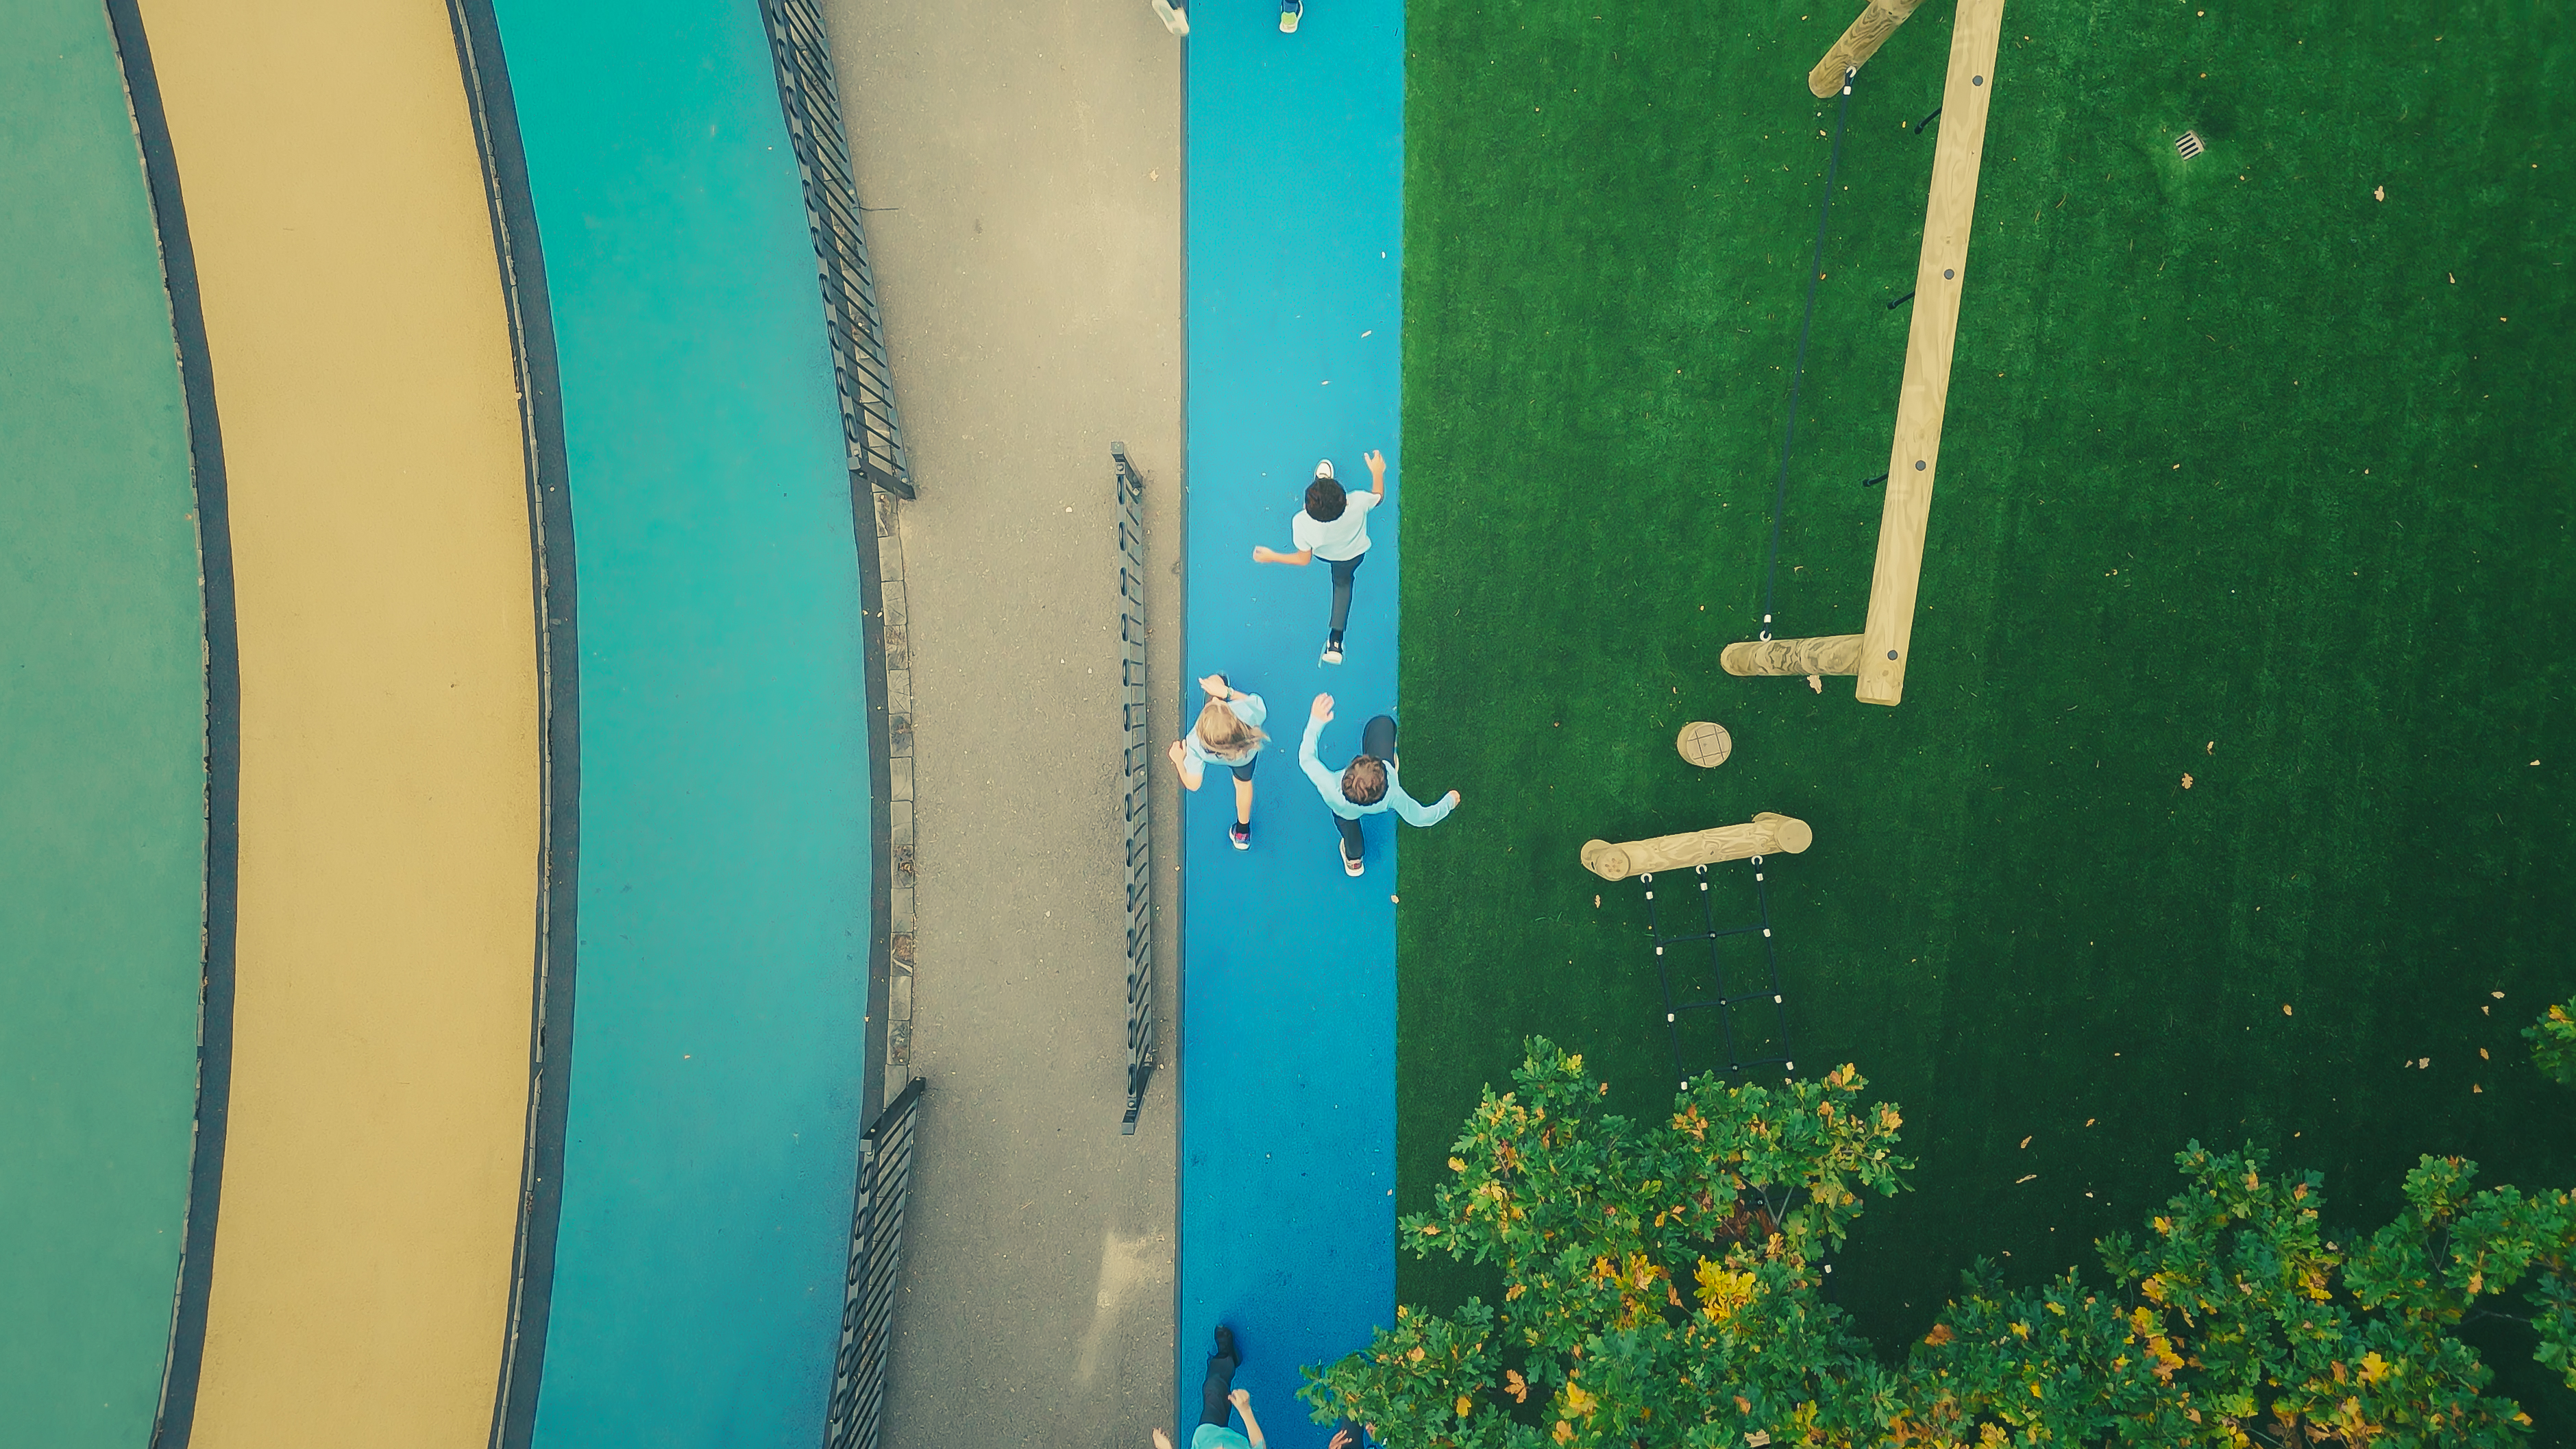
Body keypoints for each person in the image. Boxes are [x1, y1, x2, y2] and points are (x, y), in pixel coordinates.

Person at [1299, 693, 1458, 877]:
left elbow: (1306, 758)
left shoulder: (1328, 785)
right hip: (1380, 804)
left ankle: (1354, 861)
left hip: (1343, 812)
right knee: (1382, 724)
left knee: (1349, 829)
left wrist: (1315, 722)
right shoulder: (1393, 793)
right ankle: (1354, 859)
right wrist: (1449, 802)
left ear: (1353, 765)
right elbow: (1421, 817)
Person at [1252, 450, 1386, 666]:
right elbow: (1378, 497)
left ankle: (1336, 641)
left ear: (1307, 508)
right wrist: (1377, 472)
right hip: (1354, 555)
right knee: (1343, 586)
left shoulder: (1302, 522)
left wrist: (1272, 556)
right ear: (1344, 500)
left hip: (1328, 555)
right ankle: (1335, 642)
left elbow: (1304, 559)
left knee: (1341, 585)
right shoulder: (1359, 501)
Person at [1167, 672, 1266, 850]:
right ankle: (1242, 833)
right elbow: (1257, 704)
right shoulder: (1244, 715)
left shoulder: (1195, 741)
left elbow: (1194, 784)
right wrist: (1228, 693)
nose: (1215, 701)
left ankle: (1218, 681)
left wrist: (1179, 761)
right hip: (1244, 756)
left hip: (1214, 755)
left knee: (1214, 679)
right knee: (1243, 786)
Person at [1153, 1326, 1264, 1449]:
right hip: (1232, 1442)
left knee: (1213, 1388)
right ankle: (1228, 1358)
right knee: (1215, 1389)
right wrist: (1246, 1411)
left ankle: (1226, 1357)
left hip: (1206, 1435)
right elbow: (1259, 1446)